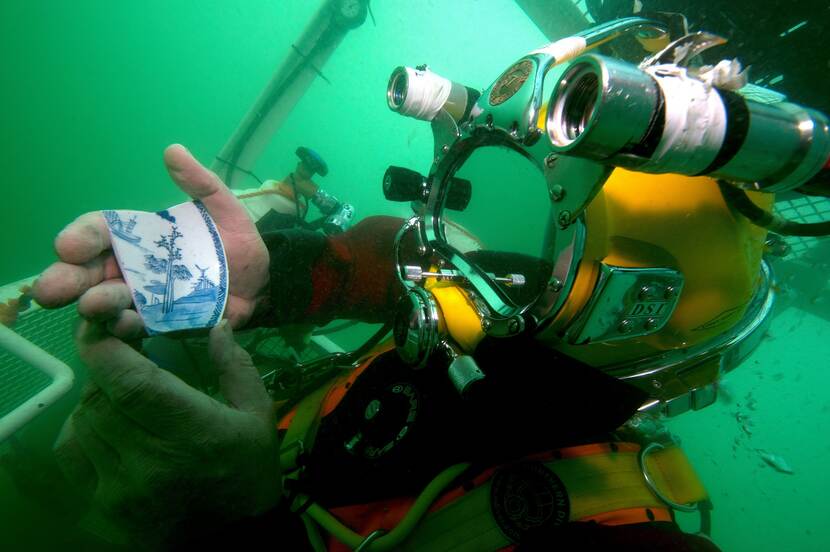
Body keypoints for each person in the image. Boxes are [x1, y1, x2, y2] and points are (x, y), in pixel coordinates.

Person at [32, 144, 721, 550]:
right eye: (554, 243)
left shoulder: (625, 534)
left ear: (637, 321)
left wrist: (245, 523)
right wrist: (268, 275)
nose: (504, 285)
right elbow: (373, 254)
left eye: (568, 278)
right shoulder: (486, 295)